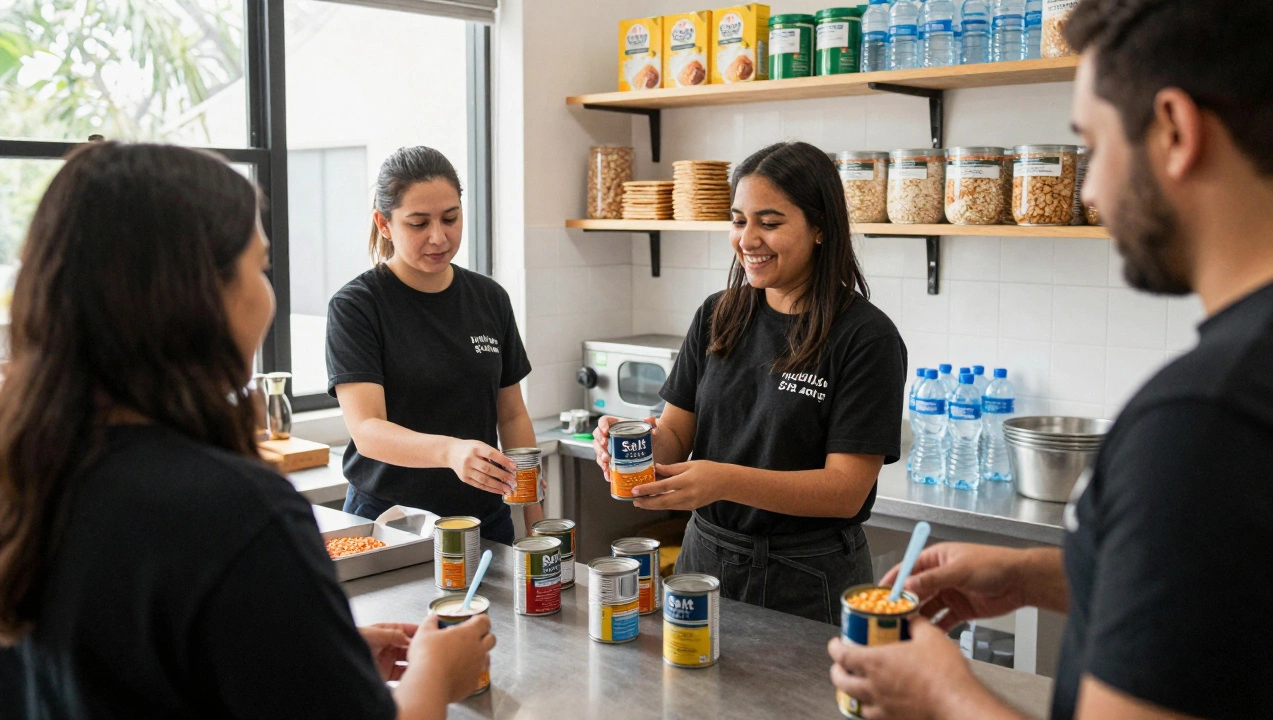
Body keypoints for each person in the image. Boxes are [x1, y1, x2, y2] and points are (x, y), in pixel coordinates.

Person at [828, 1, 1273, 717]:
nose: (1090, 191)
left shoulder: (1204, 420)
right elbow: (1235, 595)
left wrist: (942, 694)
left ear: (1175, 130)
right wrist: (1040, 574)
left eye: (1094, 148)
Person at [0, 142, 493, 720]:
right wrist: (435, 675)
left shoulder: (32, 474)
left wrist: (310, 655)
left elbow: (134, 671)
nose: (269, 294)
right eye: (258, 267)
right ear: (193, 298)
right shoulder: (237, 514)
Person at [594, 141, 908, 625]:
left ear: (821, 228)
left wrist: (721, 480)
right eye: (739, 221)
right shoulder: (718, 315)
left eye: (770, 222)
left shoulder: (866, 337)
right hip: (707, 557)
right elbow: (676, 438)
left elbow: (844, 489)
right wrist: (633, 447)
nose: (747, 239)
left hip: (808, 572)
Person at [327, 146, 540, 542]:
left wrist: (535, 517)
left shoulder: (489, 298)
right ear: (384, 223)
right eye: (418, 223)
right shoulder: (357, 306)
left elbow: (510, 416)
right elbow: (368, 430)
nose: (438, 237)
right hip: (390, 521)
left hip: (484, 519)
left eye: (450, 218)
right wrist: (450, 452)